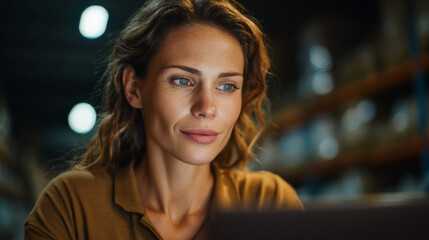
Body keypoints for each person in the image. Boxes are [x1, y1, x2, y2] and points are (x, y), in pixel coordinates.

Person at [24, 0, 303, 239]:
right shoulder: (71, 205)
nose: (207, 107)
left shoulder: (270, 203)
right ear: (134, 88)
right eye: (182, 80)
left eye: (227, 86)